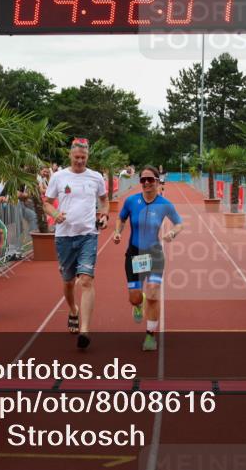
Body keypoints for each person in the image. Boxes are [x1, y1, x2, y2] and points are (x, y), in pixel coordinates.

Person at [44, 138, 109, 349]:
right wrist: (55, 213)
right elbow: (46, 202)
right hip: (64, 237)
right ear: (70, 155)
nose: (80, 161)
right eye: (76, 157)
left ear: (87, 156)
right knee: (68, 281)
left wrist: (105, 215)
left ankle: (85, 330)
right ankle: (73, 310)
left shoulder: (96, 177)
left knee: (87, 280)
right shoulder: (59, 176)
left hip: (88, 235)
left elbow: (104, 200)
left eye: (83, 157)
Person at [113, 165, 183, 351]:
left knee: (153, 293)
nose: (146, 183)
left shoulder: (165, 204)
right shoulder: (131, 201)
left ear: (157, 181)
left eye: (150, 180)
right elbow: (121, 219)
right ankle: (137, 304)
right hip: (134, 254)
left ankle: (150, 336)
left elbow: (179, 224)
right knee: (135, 297)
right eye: (142, 180)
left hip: (155, 254)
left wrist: (172, 234)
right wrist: (117, 232)